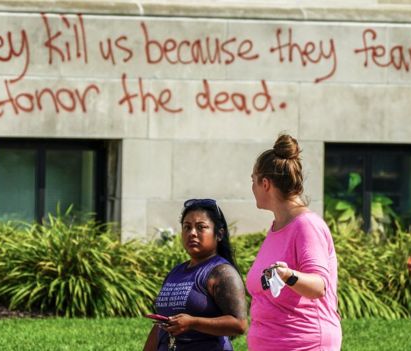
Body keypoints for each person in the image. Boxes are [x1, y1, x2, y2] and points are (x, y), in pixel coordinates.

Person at [246, 134, 342, 351]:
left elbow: (319, 286)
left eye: (253, 181)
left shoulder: (306, 225)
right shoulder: (277, 228)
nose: (252, 188)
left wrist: (289, 275)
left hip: (304, 343)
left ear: (265, 183)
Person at [143, 199, 248, 351]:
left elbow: (239, 325)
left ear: (219, 234)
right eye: (187, 227)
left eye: (201, 227)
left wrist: (193, 322)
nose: (192, 233)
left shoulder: (222, 272)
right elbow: (160, 328)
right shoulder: (176, 271)